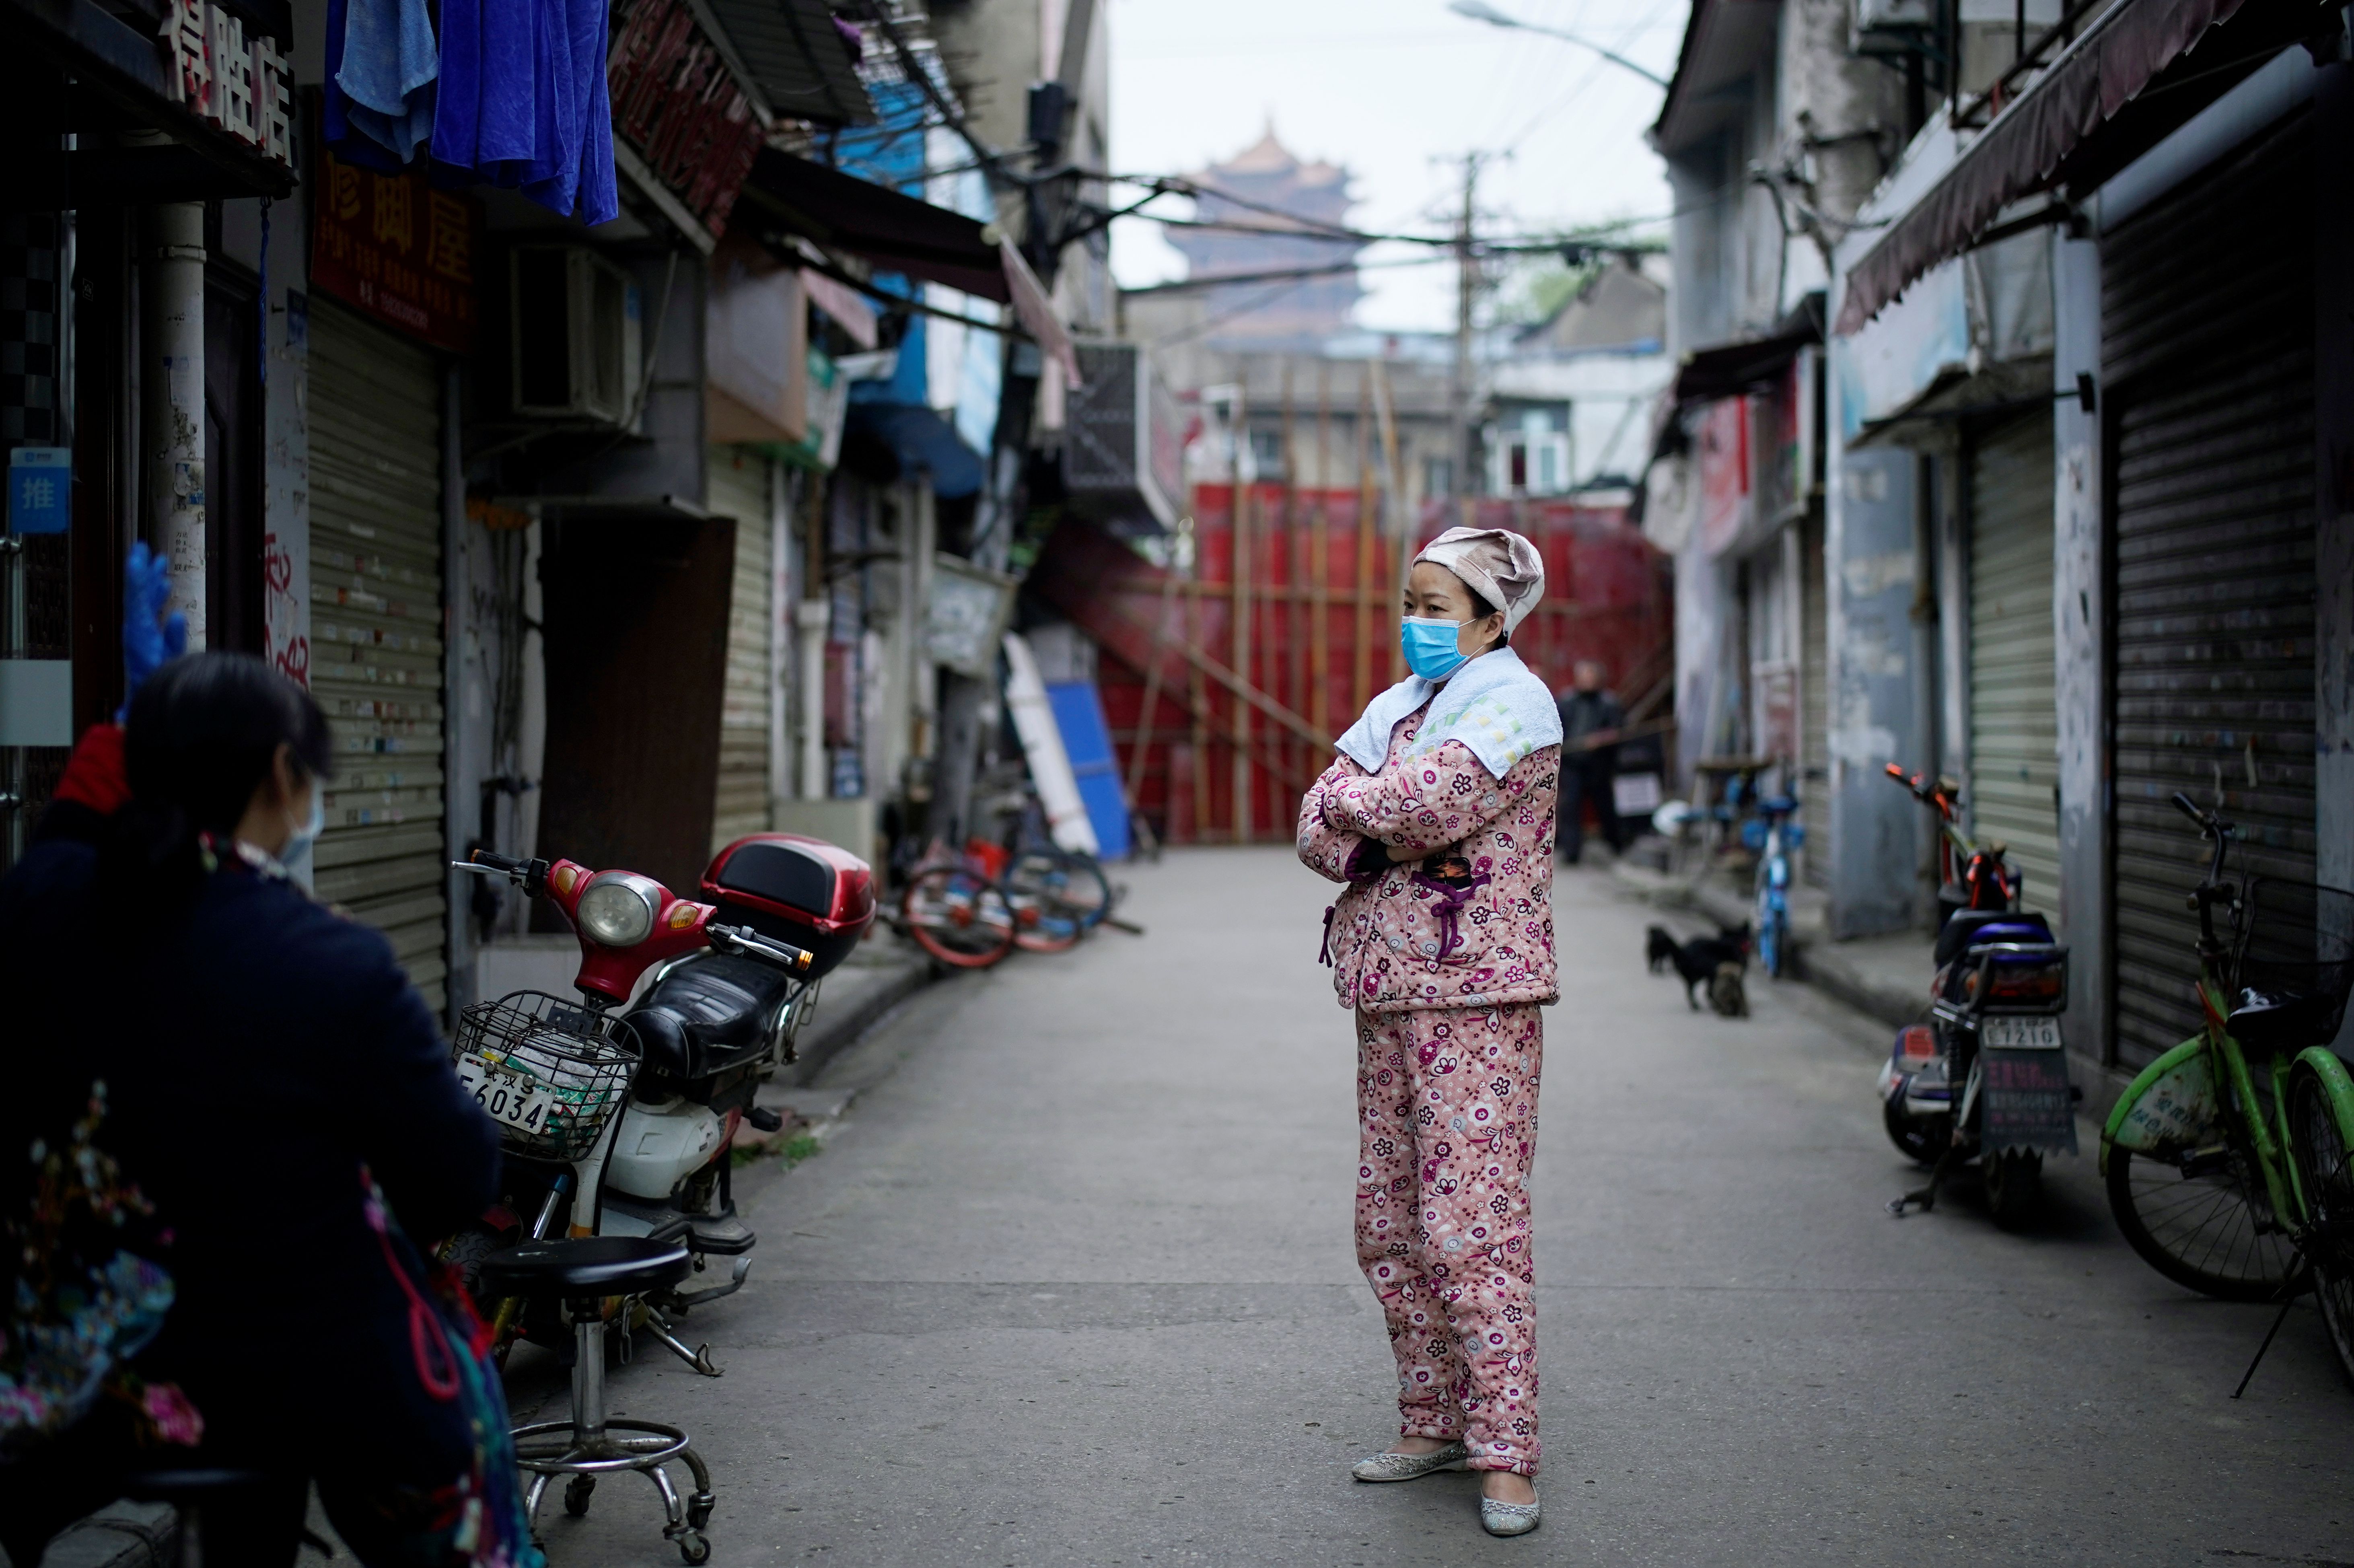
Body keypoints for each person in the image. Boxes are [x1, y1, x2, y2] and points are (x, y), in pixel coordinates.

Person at [0, 651, 533, 1566]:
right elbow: (459, 1176)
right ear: (285, 776)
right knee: (433, 1379)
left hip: (76, 1375)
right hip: (295, 1376)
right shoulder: (328, 957)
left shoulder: (36, 919)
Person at [1296, 526, 1561, 1539]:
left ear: (1495, 619)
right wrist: (1356, 811)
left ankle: (1508, 1450)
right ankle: (1431, 1419)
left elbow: (1427, 803)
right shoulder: (1403, 708)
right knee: (1391, 1222)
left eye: (1438, 605)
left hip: (1475, 998)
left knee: (1470, 1227)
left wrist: (1356, 807)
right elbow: (1316, 826)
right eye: (1409, 600)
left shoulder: (1515, 706)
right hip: (1387, 991)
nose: (1417, 622)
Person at [1555, 659, 1625, 864]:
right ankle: (1571, 853)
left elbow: (1619, 730)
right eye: (1584, 677)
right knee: (1571, 808)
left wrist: (1604, 739)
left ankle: (1617, 845)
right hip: (1573, 764)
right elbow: (1559, 729)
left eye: (1591, 677)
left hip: (1599, 765)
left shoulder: (1609, 702)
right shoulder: (1566, 701)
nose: (1588, 681)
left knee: (1606, 806)